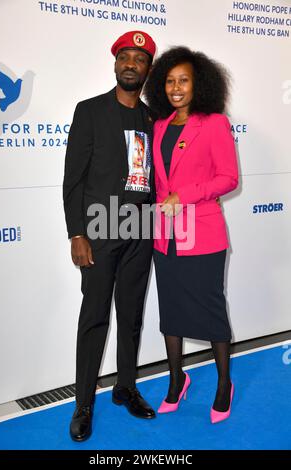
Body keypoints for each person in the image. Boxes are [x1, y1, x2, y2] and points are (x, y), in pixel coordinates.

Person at [63, 30, 157, 442]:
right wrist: (77, 233)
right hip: (100, 230)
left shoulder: (154, 119)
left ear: (148, 69)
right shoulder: (90, 111)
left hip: (141, 231)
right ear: (115, 64)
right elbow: (73, 180)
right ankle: (84, 403)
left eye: (139, 58)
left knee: (132, 316)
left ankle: (126, 387)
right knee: (95, 316)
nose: (131, 64)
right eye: (125, 57)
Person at [144, 47, 239, 423]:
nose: (176, 88)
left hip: (204, 232)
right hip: (165, 237)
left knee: (212, 311)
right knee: (171, 312)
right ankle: (175, 380)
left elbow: (228, 179)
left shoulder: (214, 123)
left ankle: (223, 384)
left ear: (198, 84)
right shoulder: (160, 126)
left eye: (183, 80)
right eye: (169, 81)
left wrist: (184, 196)